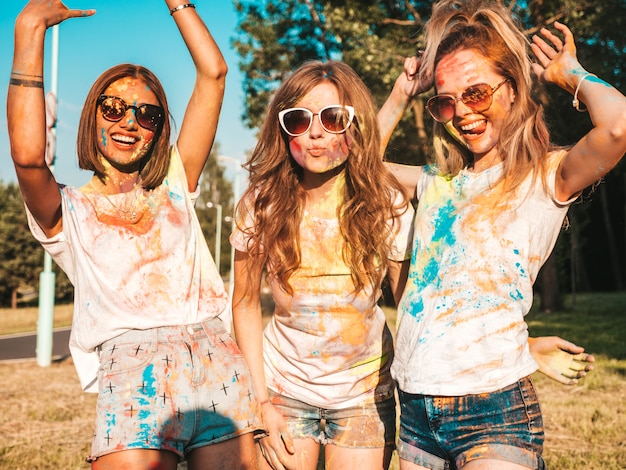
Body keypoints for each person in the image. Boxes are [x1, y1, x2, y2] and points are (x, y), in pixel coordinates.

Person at [7, 1, 260, 468]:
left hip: (216, 358)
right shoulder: (67, 210)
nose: (129, 121)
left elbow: (214, 74)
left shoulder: (175, 184)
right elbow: (27, 158)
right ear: (93, 115)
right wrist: (29, 29)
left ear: (159, 131)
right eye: (115, 107)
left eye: (148, 115)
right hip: (132, 371)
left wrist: (178, 4)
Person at [376, 0, 626, 469]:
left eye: (476, 93)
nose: (461, 114)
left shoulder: (548, 175)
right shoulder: (435, 180)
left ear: (512, 89)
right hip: (414, 409)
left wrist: (570, 74)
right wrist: (399, 95)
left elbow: (618, 125)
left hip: (494, 411)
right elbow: (358, 169)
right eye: (446, 101)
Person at [230, 60, 415, 470]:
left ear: (354, 126)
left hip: (365, 396)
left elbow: (410, 307)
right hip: (283, 390)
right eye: (299, 119)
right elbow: (243, 305)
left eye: (333, 118)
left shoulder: (386, 204)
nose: (315, 132)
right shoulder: (261, 205)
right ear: (284, 129)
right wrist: (260, 401)